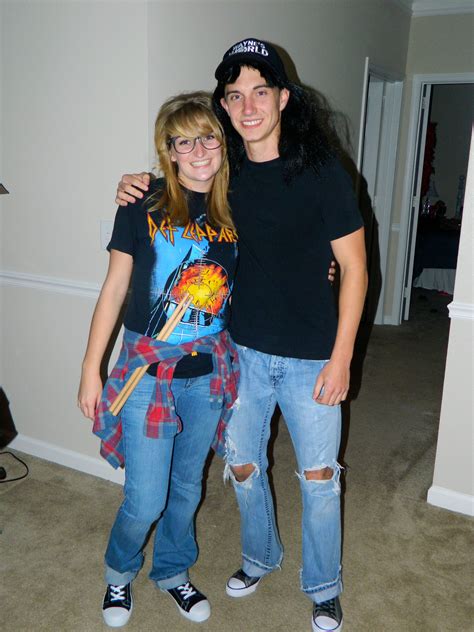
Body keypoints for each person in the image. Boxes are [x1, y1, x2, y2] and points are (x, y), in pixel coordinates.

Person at [116, 38, 368, 632]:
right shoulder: (223, 173)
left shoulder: (322, 171)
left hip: (312, 356)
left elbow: (354, 268)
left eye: (261, 91)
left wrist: (342, 360)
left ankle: (324, 586)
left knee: (319, 479)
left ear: (283, 98)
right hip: (241, 354)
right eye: (235, 95)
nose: (248, 105)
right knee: (245, 467)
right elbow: (176, 186)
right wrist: (134, 183)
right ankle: (259, 557)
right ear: (224, 105)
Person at [78, 92, 239, 628]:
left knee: (187, 487)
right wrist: (90, 370)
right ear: (167, 152)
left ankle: (172, 571)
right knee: (145, 498)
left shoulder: (238, 211)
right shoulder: (141, 204)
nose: (198, 150)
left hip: (208, 373)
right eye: (183, 141)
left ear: (223, 142)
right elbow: (114, 288)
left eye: (208, 137)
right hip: (147, 373)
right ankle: (119, 572)